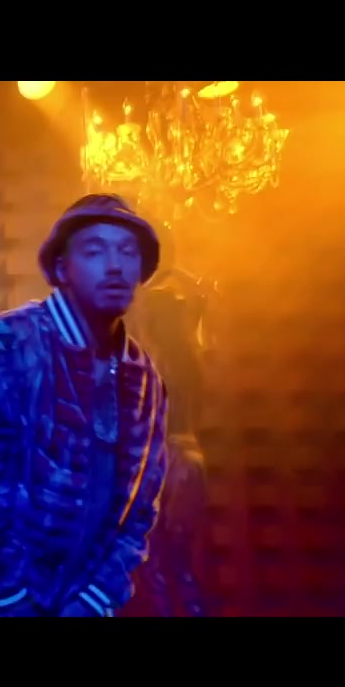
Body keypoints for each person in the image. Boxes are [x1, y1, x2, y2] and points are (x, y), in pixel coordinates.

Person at [0, 193, 170, 618]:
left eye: (128, 252)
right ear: (62, 268)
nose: (115, 265)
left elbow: (140, 507)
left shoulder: (143, 377)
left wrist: (96, 598)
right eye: (95, 251)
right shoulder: (4, 346)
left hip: (69, 598)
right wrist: (12, 599)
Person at [123, 262, 217, 617]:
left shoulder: (151, 361)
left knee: (155, 564)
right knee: (179, 561)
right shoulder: (191, 358)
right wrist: (179, 276)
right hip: (191, 461)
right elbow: (198, 302)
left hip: (164, 463)